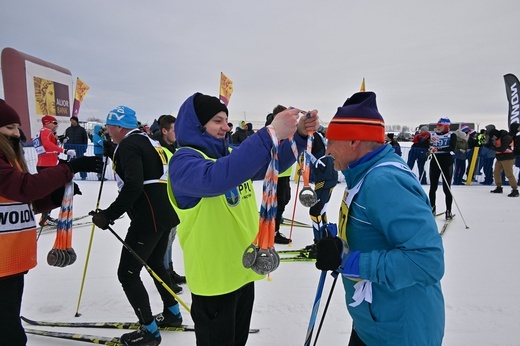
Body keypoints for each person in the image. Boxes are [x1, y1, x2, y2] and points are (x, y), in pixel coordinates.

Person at [167, 93, 319, 346]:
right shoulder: (183, 162)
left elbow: (273, 161)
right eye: (217, 121)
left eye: (226, 121)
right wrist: (269, 131)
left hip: (243, 270)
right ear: (196, 125)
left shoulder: (228, 155)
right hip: (214, 281)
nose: (226, 127)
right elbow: (217, 178)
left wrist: (300, 135)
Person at [316, 91, 445, 345]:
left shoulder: (384, 182)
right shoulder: (362, 174)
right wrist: (338, 243)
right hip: (375, 321)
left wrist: (350, 262)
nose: (327, 149)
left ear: (354, 141)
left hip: (400, 332)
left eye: (331, 140)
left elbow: (427, 261)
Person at [0, 99, 101, 346]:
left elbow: (24, 201)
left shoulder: (9, 159)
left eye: (17, 127)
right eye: (10, 127)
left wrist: (55, 195)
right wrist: (69, 168)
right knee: (9, 334)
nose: (17, 134)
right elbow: (24, 187)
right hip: (3, 261)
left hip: (10, 260)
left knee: (9, 323)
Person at [89, 106, 182, 346]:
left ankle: (149, 331)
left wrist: (108, 215)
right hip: (164, 213)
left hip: (147, 217)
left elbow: (133, 184)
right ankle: (173, 312)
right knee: (155, 263)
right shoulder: (149, 141)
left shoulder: (129, 146)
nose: (106, 132)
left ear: (118, 127)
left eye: (108, 127)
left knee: (127, 273)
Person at [155, 114, 186, 293]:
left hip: (173, 200)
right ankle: (164, 274)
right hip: (164, 201)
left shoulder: (172, 148)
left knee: (171, 238)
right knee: (165, 241)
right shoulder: (160, 149)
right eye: (175, 129)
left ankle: (170, 270)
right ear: (165, 131)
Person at [34, 114, 77, 226]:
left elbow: (49, 144)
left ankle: (45, 217)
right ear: (47, 123)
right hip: (48, 165)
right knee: (52, 192)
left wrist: (60, 140)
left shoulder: (43, 132)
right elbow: (47, 144)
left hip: (45, 164)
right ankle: (45, 217)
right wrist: (65, 150)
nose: (56, 125)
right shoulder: (46, 131)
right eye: (55, 123)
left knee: (49, 191)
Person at [265, 105, 293, 244]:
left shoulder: (284, 130)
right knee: (278, 203)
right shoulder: (272, 130)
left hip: (285, 172)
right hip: (276, 173)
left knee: (285, 199)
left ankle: (275, 222)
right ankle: (273, 232)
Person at [429, 117, 457, 219]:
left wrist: (438, 148)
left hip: (447, 162)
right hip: (435, 161)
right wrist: (429, 149)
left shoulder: (451, 135)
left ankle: (448, 211)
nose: (438, 127)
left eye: (440, 126)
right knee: (433, 187)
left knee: (447, 188)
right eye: (437, 125)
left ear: (446, 126)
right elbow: (427, 145)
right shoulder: (432, 135)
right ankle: (432, 209)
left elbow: (452, 147)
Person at [488, 129, 519, 197]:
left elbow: (502, 149)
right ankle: (499, 187)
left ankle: (515, 190)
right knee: (496, 173)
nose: (493, 138)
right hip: (500, 158)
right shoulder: (498, 138)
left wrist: (491, 147)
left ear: (495, 135)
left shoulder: (506, 137)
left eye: (493, 137)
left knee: (509, 174)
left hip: (508, 158)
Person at [64, 116, 89, 180]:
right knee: (70, 163)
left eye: (73, 120)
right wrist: (66, 147)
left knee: (81, 162)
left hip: (79, 149)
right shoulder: (68, 129)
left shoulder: (82, 129)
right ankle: (70, 175)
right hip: (70, 149)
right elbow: (65, 139)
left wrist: (84, 148)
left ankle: (83, 176)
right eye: (71, 120)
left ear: (76, 121)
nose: (72, 122)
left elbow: (85, 139)